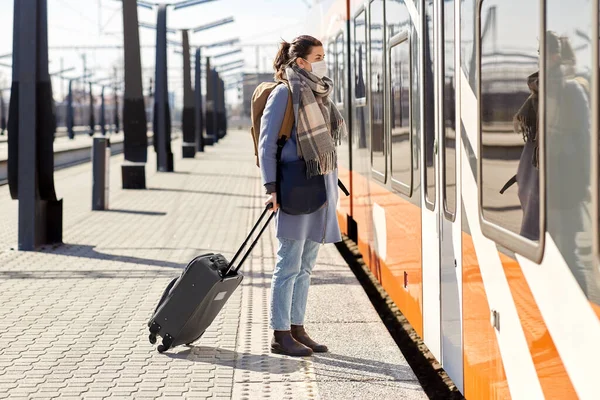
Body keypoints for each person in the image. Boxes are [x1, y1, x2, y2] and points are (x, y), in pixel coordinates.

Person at [258, 35, 347, 357]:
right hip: (294, 187)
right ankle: (280, 334)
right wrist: (271, 188)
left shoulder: (317, 92)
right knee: (288, 265)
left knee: (306, 265)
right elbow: (267, 145)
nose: (323, 61)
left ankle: (297, 329)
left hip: (319, 185)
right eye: (318, 56)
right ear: (300, 61)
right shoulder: (284, 93)